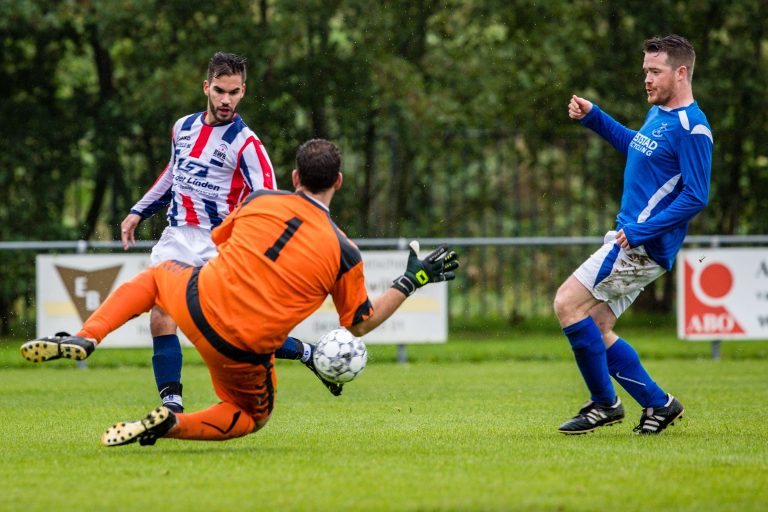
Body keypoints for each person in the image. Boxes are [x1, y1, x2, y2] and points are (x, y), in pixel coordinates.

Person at [21, 139, 460, 447]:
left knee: (156, 278)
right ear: (339, 182)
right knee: (251, 417)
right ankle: (173, 423)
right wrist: (412, 281)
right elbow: (359, 322)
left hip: (197, 301)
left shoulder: (260, 199)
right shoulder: (345, 251)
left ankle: (88, 335)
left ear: (294, 176)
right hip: (243, 349)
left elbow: (223, 243)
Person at [554, 35, 713, 435]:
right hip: (637, 240)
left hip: (640, 244)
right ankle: (658, 405)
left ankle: (604, 404)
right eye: (645, 70)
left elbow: (696, 195)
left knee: (566, 303)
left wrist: (641, 231)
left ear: (680, 73)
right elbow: (637, 147)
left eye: (654, 71)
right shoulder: (658, 115)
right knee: (595, 324)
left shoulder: (692, 128)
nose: (647, 78)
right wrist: (595, 117)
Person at [120, 52, 276, 412]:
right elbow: (173, 174)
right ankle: (172, 404)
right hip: (177, 236)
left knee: (234, 329)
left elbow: (267, 199)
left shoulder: (247, 144)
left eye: (234, 92)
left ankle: (307, 353)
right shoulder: (183, 127)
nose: (226, 100)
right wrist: (137, 211)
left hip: (219, 244)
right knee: (161, 312)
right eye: (220, 91)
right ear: (207, 87)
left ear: (243, 92)